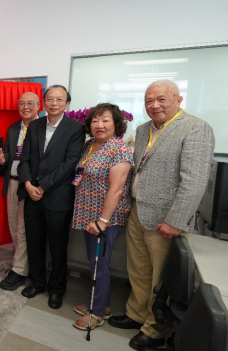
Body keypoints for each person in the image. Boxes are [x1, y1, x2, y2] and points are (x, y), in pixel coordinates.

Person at [108, 80, 214, 350]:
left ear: (178, 100)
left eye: (161, 99)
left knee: (162, 279)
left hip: (166, 219)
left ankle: (156, 328)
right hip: (138, 210)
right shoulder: (144, 130)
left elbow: (194, 180)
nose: (154, 105)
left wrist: (176, 221)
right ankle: (136, 314)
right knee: (139, 270)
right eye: (148, 100)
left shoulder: (195, 128)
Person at [17, 84, 85, 310]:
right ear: (44, 102)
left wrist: (43, 186)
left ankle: (57, 289)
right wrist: (27, 183)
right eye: (50, 99)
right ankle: (38, 282)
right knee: (35, 244)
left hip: (58, 197)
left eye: (59, 99)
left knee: (57, 247)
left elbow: (69, 164)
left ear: (67, 104)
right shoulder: (35, 126)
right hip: (32, 195)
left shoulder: (75, 128)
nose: (54, 103)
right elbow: (24, 158)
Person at [69, 103, 133, 332]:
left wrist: (102, 221)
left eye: (106, 120)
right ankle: (101, 305)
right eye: (95, 120)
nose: (100, 125)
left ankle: (96, 314)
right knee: (96, 263)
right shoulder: (89, 146)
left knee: (100, 264)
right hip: (87, 214)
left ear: (116, 124)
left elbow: (116, 190)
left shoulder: (119, 150)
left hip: (105, 218)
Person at [0, 92, 40, 291]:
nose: (26, 106)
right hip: (12, 182)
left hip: (30, 185)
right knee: (14, 225)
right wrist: (3, 158)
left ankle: (19, 271)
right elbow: (9, 151)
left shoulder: (43, 127)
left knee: (23, 228)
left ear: (39, 105)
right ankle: (22, 264)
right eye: (22, 103)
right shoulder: (14, 128)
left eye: (30, 103)